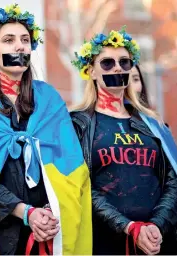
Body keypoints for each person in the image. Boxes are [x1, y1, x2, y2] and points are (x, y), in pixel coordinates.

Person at [0, 4, 92, 255]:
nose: (19, 46)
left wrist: (48, 212)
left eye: (25, 40)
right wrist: (24, 212)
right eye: (9, 40)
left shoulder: (50, 100)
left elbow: (70, 166)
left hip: (48, 230)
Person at [70, 26, 177, 255]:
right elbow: (80, 186)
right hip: (104, 243)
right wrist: (128, 227)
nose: (117, 67)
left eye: (124, 62)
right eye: (107, 63)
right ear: (91, 71)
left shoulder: (153, 125)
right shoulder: (76, 124)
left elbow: (172, 180)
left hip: (156, 242)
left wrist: (157, 225)